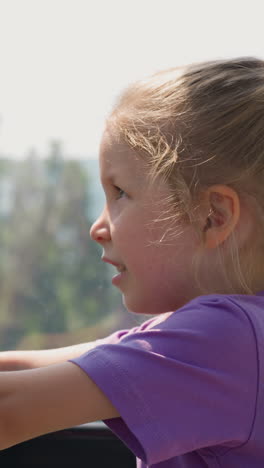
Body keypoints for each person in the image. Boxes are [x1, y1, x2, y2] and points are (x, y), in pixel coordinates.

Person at [0, 57, 264, 468]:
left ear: (212, 215)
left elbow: (9, 411)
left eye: (119, 192)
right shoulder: (233, 336)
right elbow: (21, 366)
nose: (97, 227)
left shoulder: (224, 338)